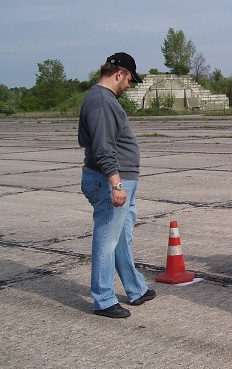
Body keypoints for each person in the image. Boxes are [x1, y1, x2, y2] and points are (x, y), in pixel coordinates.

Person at [78, 52, 155, 318]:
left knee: (121, 237)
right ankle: (103, 299)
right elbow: (103, 148)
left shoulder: (104, 99)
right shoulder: (101, 101)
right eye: (130, 80)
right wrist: (116, 183)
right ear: (119, 73)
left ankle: (135, 289)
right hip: (109, 181)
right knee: (107, 241)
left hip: (120, 180)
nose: (129, 86)